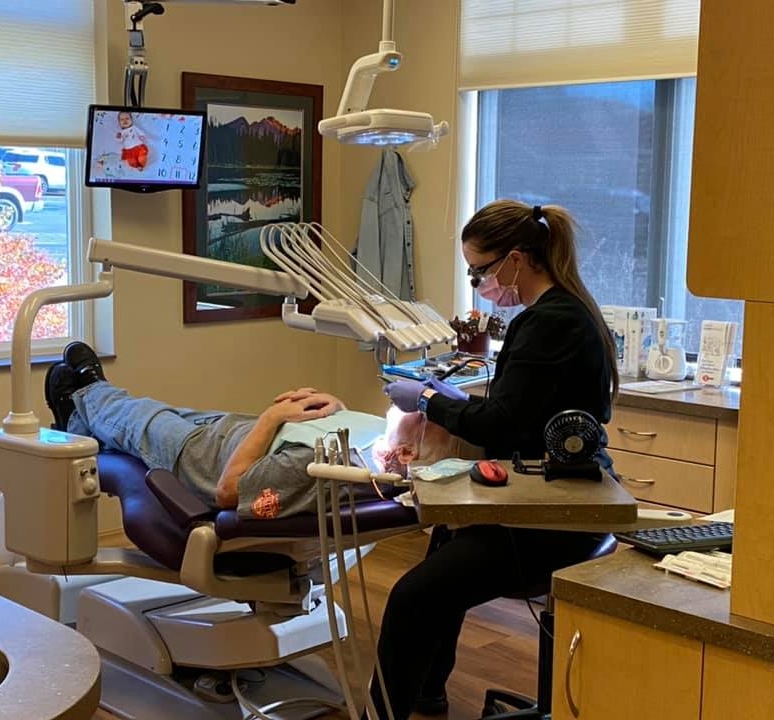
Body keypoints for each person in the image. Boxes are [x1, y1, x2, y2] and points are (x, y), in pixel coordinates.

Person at [371, 200, 619, 720]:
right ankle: (426, 694)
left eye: (481, 270)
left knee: (413, 596)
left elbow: (502, 425)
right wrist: (454, 401)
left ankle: (380, 714)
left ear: (517, 259)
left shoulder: (551, 323)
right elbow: (524, 411)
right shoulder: (565, 312)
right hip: (553, 492)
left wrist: (429, 401)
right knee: (445, 540)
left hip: (554, 516)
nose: (479, 281)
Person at [44, 342, 447, 518]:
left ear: (407, 455)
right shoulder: (380, 445)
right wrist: (335, 410)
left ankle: (85, 391)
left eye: (419, 410)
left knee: (135, 416)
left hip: (200, 457)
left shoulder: (314, 467)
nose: (406, 401)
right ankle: (80, 419)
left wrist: (272, 418)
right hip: (233, 431)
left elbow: (228, 492)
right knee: (154, 410)